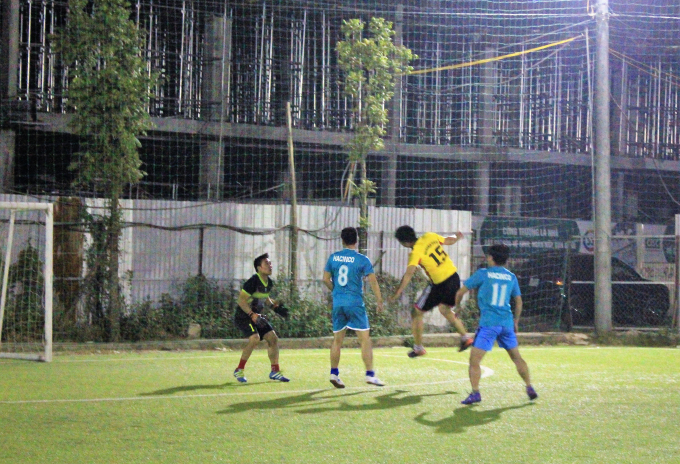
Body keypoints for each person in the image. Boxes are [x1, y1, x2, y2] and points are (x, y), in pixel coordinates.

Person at [455, 243, 538, 404]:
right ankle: (529, 387)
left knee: (474, 361)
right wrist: (516, 321)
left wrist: (458, 308)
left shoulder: (483, 274)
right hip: (506, 324)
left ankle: (475, 393)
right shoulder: (511, 276)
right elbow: (518, 301)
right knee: (517, 358)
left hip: (489, 324)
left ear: (490, 257)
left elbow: (460, 292)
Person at [389, 225, 473, 357]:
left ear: (404, 243)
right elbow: (448, 240)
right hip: (454, 278)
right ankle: (465, 338)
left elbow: (409, 274)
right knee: (445, 309)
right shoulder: (429, 236)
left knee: (416, 312)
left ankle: (418, 348)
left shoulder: (415, 252)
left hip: (440, 284)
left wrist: (397, 293)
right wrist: (457, 236)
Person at [323, 227, 386, 388]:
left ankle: (334, 373)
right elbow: (373, 281)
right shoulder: (362, 259)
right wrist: (379, 300)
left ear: (342, 240)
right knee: (365, 340)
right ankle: (370, 375)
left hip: (338, 303)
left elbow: (325, 279)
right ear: (356, 240)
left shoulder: (333, 257)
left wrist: (336, 291)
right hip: (355, 304)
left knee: (337, 340)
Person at [233, 253, 290, 383]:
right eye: (266, 263)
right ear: (259, 268)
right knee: (255, 338)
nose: (270, 266)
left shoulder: (269, 283)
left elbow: (265, 299)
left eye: (270, 263)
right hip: (243, 316)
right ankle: (239, 369)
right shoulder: (252, 282)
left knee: (273, 338)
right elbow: (241, 301)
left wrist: (276, 308)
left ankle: (275, 371)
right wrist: (251, 314)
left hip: (256, 317)